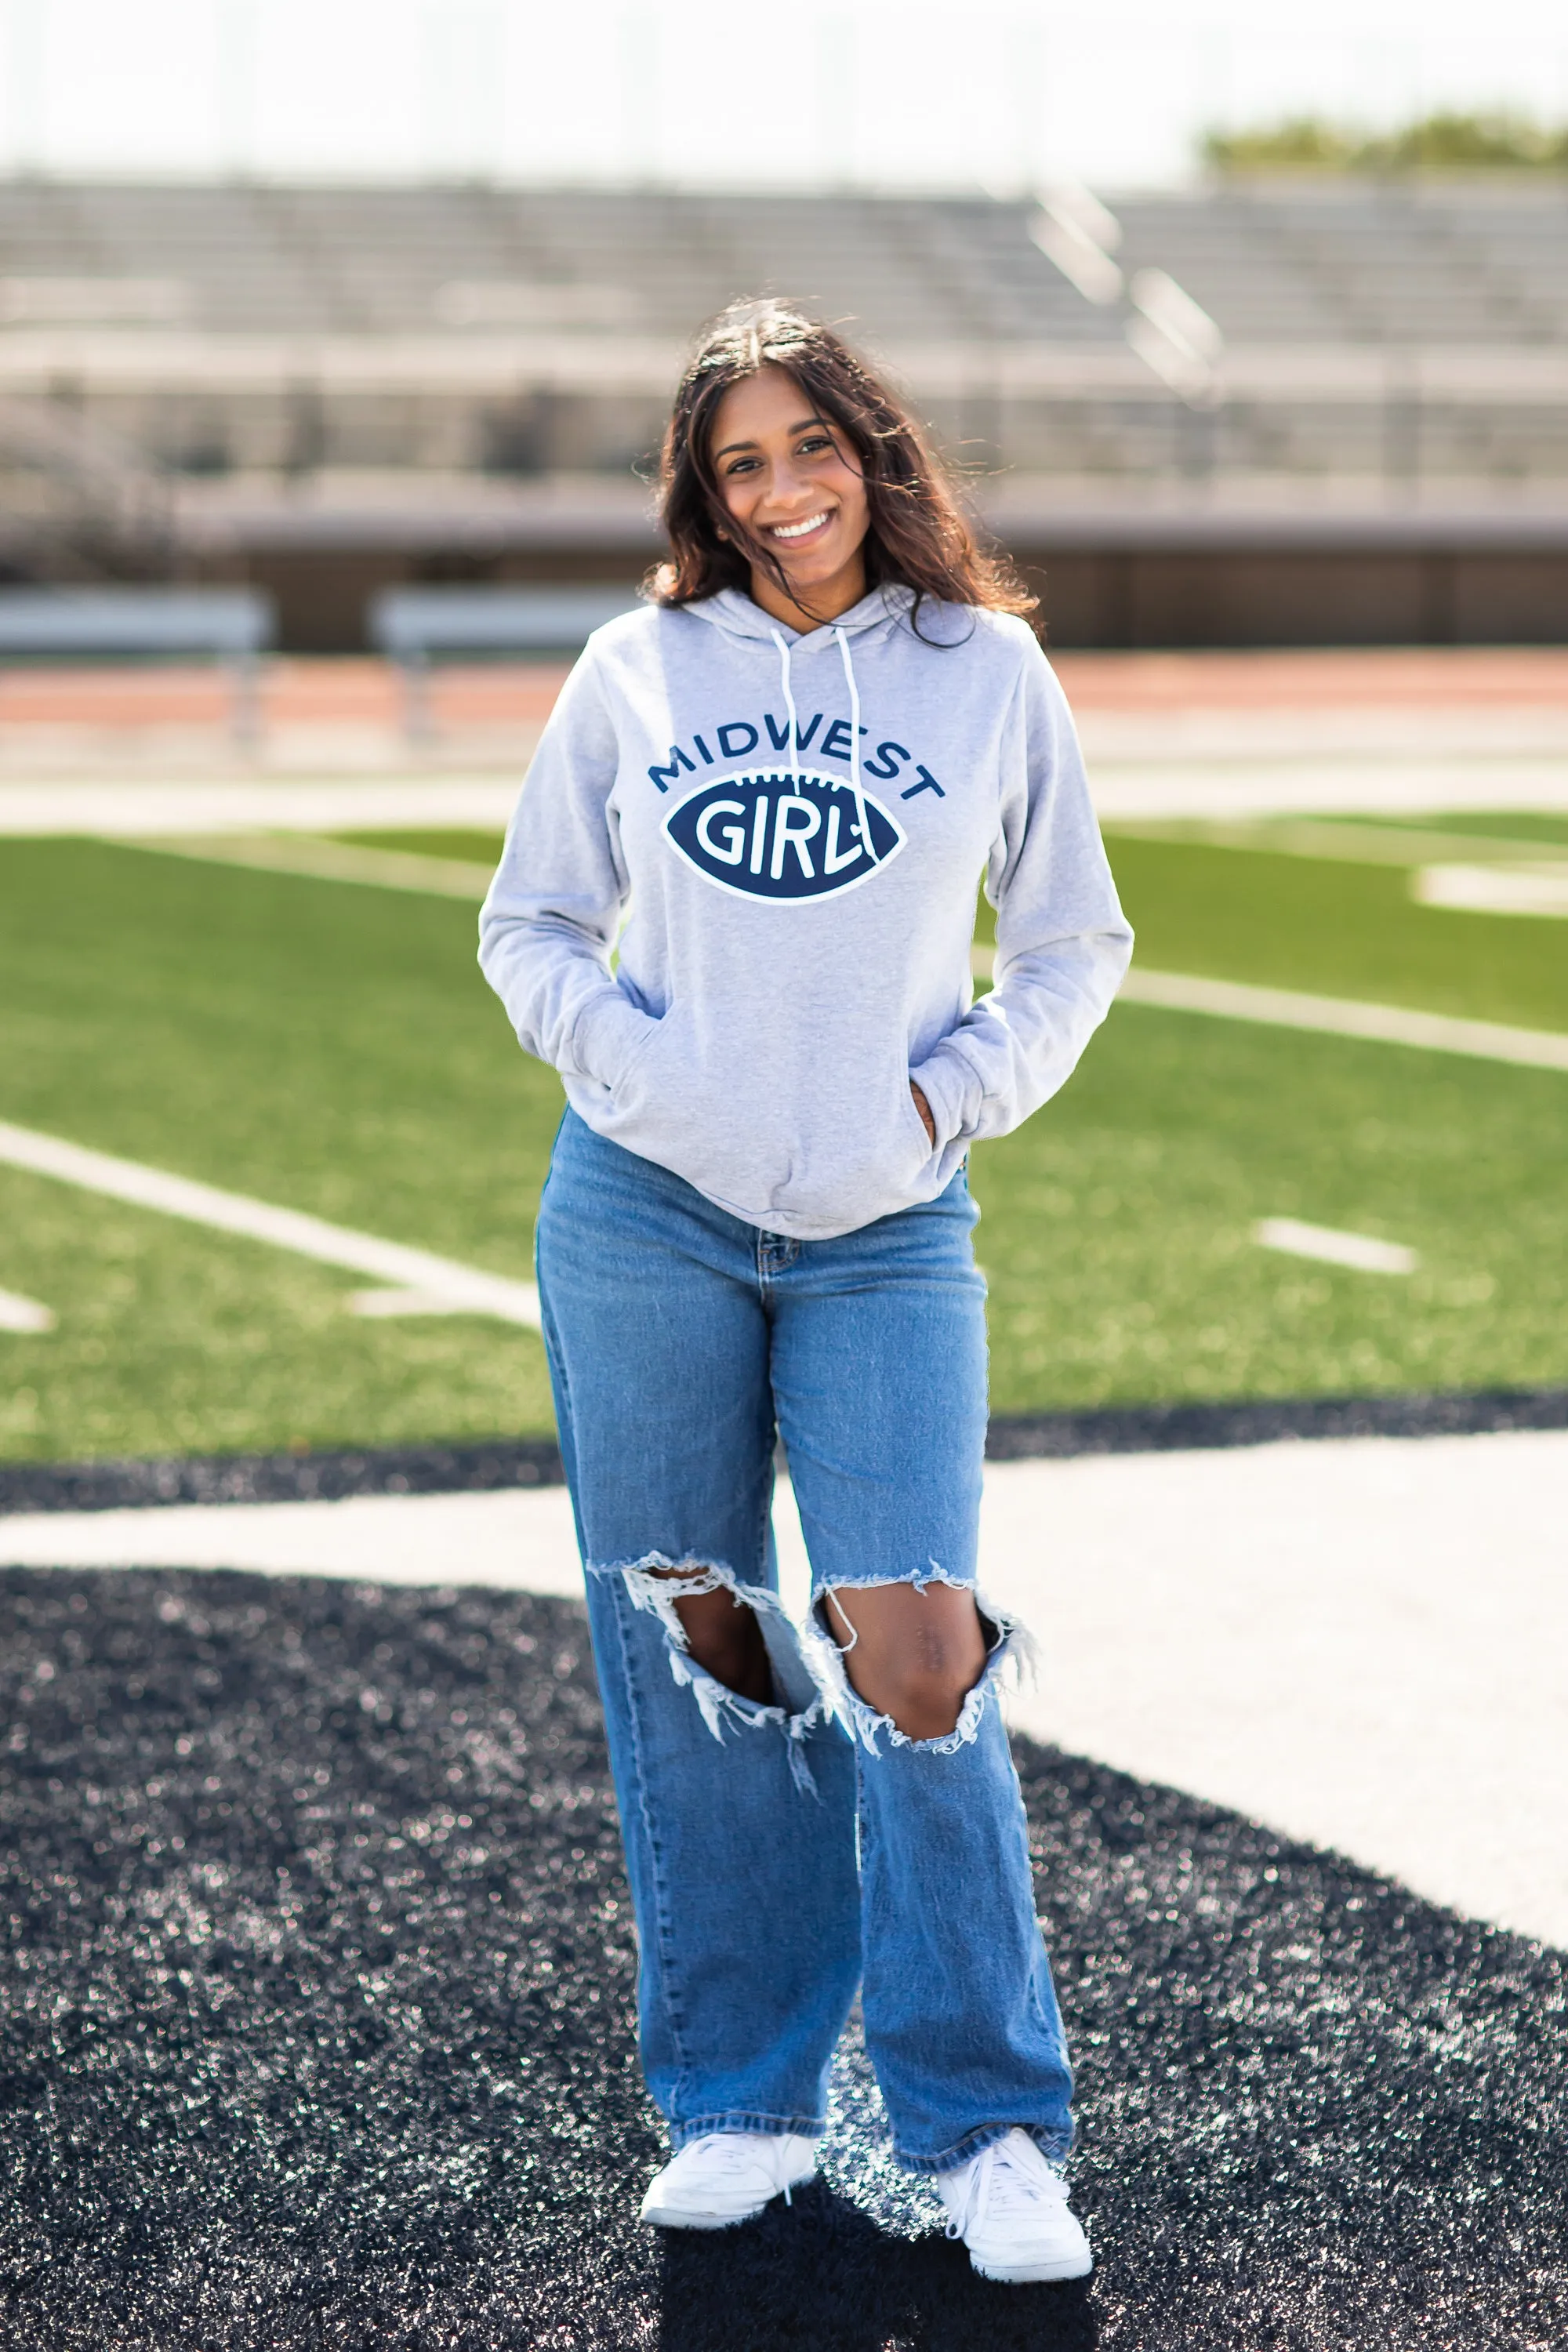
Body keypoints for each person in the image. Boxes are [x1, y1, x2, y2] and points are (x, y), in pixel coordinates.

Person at [479, 298, 1132, 2285]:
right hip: (642, 1216)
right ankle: (745, 2103)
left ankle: (985, 2123)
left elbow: (1076, 943)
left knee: (914, 1646)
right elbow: (528, 924)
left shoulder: (984, 670)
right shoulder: (634, 665)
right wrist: (645, 1074)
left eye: (811, 448)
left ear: (876, 447)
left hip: (884, 1233)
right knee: (710, 1652)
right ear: (708, 490)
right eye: (741, 464)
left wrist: (950, 1096)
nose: (782, 494)